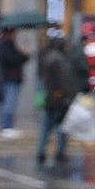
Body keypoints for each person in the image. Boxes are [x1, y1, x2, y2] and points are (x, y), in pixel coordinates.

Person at [37, 31, 86, 167]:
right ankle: (60, 151)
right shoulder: (59, 60)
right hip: (59, 99)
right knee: (62, 127)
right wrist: (69, 94)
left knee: (46, 128)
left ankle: (41, 151)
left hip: (50, 98)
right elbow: (65, 80)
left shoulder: (47, 57)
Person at [0, 29, 29, 138]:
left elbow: (17, 58)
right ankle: (6, 128)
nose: (15, 36)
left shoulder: (10, 45)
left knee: (11, 103)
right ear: (9, 34)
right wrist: (22, 55)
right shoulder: (5, 46)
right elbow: (11, 59)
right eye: (14, 34)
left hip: (12, 79)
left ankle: (9, 127)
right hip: (10, 79)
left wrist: (24, 55)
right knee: (9, 104)